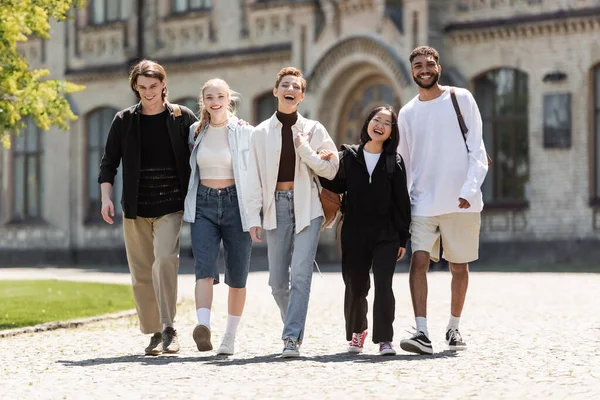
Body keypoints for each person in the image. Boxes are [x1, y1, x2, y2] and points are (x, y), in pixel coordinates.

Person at [98, 60, 198, 355]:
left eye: (153, 87)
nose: (148, 92)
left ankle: (169, 328)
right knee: (141, 272)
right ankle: (154, 332)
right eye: (142, 87)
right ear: (135, 88)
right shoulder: (124, 120)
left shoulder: (182, 117)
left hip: (171, 204)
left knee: (165, 259)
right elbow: (108, 163)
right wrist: (106, 198)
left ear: (163, 85)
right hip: (136, 207)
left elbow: (204, 146)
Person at [397, 46, 489, 354]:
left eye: (429, 64)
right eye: (418, 65)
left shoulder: (460, 98)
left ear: (439, 66)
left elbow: (478, 150)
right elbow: (404, 163)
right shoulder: (407, 113)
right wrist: (403, 202)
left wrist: (469, 189)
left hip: (461, 200)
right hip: (423, 202)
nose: (424, 69)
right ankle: (421, 331)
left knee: (459, 267)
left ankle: (453, 327)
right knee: (418, 261)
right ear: (412, 72)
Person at [245, 67, 339, 358]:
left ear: (301, 94)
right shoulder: (259, 133)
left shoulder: (314, 129)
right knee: (276, 283)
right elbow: (252, 178)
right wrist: (252, 216)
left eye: (296, 87)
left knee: (300, 274)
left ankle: (290, 338)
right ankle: (294, 326)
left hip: (308, 205)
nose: (290, 90)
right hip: (276, 207)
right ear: (276, 92)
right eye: (285, 85)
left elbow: (332, 169)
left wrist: (306, 151)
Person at [320, 106, 411, 356]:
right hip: (354, 231)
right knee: (356, 285)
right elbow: (334, 184)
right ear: (368, 123)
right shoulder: (348, 156)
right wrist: (326, 162)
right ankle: (358, 331)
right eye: (376, 119)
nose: (380, 124)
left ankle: (385, 339)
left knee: (384, 284)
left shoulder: (395, 161)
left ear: (392, 132)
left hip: (387, 234)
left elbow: (402, 202)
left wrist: (402, 237)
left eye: (387, 123)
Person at [183, 78, 254, 355]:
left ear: (229, 98)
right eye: (210, 97)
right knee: (204, 267)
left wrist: (256, 211)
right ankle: (204, 327)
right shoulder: (195, 131)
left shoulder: (243, 131)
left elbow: (255, 169)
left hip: (237, 204)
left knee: (238, 273)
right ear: (203, 101)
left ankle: (230, 337)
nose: (215, 101)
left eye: (220, 96)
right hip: (203, 203)